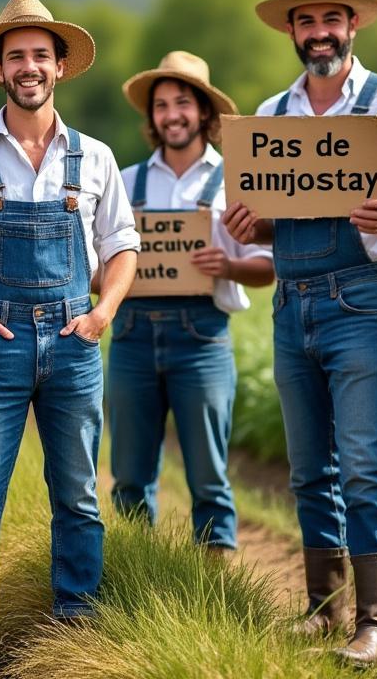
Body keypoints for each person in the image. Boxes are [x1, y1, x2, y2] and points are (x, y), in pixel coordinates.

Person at [0, 0, 139, 671]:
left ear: (61, 66)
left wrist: (103, 314)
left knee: (77, 494)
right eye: (17, 56)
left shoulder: (96, 157)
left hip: (74, 343)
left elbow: (123, 246)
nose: (29, 65)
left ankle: (76, 626)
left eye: (41, 54)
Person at [223, 0, 377, 666]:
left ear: (352, 25)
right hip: (293, 301)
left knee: (365, 463)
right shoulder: (272, 116)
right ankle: (324, 608)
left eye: (331, 19)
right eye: (306, 21)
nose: (320, 33)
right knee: (309, 467)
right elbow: (258, 230)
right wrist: (250, 225)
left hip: (362, 299)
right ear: (293, 30)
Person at [108, 51, 274, 553]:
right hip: (132, 337)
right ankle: (136, 568)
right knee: (130, 476)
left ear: (204, 112)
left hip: (202, 338)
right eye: (161, 105)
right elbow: (97, 264)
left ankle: (215, 583)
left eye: (182, 102)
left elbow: (270, 264)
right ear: (152, 117)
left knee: (209, 475)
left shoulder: (235, 180)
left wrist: (228, 267)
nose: (171, 114)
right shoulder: (125, 180)